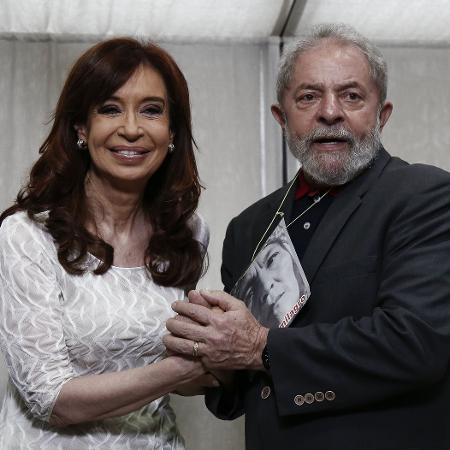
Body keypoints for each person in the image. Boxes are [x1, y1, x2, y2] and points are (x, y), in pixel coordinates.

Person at [163, 23, 450, 450]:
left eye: (351, 96)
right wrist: (210, 355)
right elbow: (239, 386)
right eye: (309, 96)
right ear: (282, 117)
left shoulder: (424, 195)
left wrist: (259, 346)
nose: (330, 112)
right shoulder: (248, 227)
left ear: (382, 114)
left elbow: (416, 342)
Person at [0, 37, 214, 449]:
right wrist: (178, 371)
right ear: (82, 127)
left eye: (151, 110)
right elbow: (51, 399)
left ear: (172, 132)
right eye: (110, 109)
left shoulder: (188, 232)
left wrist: (229, 356)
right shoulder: (28, 235)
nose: (131, 128)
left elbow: (176, 364)